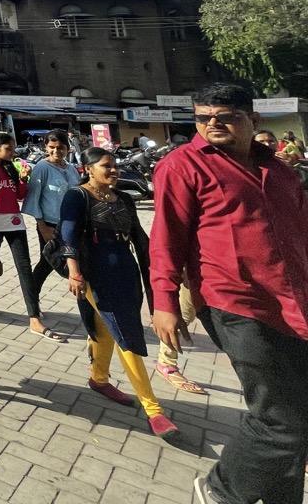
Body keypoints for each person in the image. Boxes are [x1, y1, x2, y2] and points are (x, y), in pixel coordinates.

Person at [151, 84, 308, 504]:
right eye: (203, 118)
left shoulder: (282, 171)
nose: (212, 124)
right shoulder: (181, 166)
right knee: (280, 419)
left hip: (293, 303)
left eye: (225, 116)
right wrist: (165, 303)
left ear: (253, 121)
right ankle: (221, 491)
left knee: (297, 414)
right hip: (234, 302)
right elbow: (166, 238)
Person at [59, 148, 178, 438]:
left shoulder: (123, 198)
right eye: (106, 166)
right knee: (125, 332)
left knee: (104, 327)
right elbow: (68, 235)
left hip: (126, 269)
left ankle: (98, 379)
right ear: (88, 169)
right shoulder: (77, 196)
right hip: (94, 273)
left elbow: (139, 235)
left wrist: (161, 268)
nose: (114, 171)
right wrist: (74, 272)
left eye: (115, 166)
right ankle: (153, 410)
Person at [0, 132, 65, 342]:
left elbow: (20, 194)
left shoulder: (10, 166)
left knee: (24, 265)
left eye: (13, 149)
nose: (13, 153)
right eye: (9, 149)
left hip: (14, 220)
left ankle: (33, 313)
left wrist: (23, 177)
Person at [21, 130, 81, 298]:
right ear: (46, 147)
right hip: (50, 225)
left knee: (76, 259)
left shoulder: (71, 168)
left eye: (60, 147)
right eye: (52, 147)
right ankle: (32, 299)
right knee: (48, 262)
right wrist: (42, 227)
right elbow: (34, 198)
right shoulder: (42, 167)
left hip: (72, 223)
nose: (56, 151)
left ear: (68, 148)